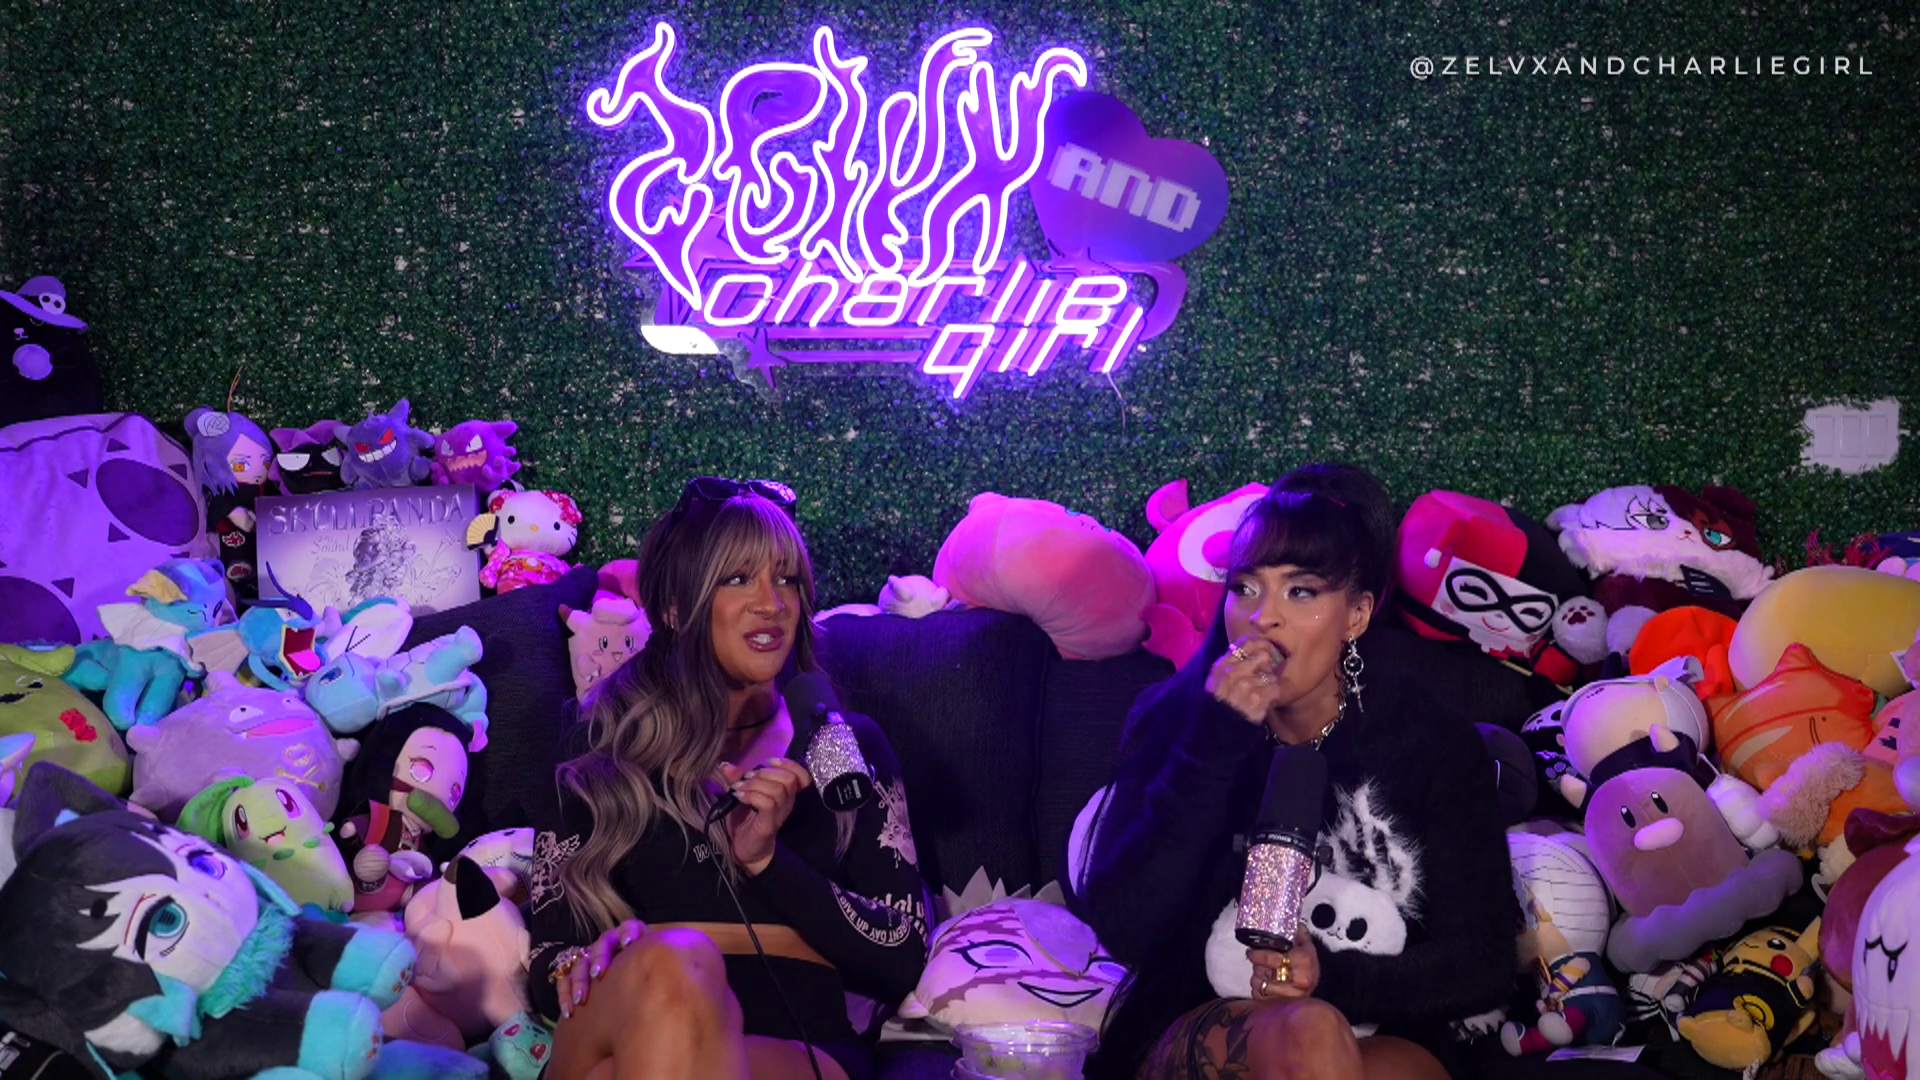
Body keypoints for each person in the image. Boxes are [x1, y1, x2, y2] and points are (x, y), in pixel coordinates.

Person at [1072, 464, 1518, 1079]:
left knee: (1340, 1044)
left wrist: (1327, 978)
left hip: (1377, 1027)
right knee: (1311, 1037)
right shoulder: (1177, 720)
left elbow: (1484, 961)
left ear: (1357, 615)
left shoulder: (1430, 743)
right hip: (1203, 1012)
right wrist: (1211, 743)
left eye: (1300, 592)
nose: (1264, 616)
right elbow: (1126, 928)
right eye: (1245, 588)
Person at [525, 477, 932, 1080]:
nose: (772, 603)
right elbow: (547, 960)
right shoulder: (602, 745)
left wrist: (766, 861)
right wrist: (586, 960)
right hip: (623, 1010)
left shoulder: (842, 747)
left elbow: (904, 954)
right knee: (675, 965)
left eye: (787, 579)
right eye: (738, 579)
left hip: (798, 1044)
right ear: (675, 608)